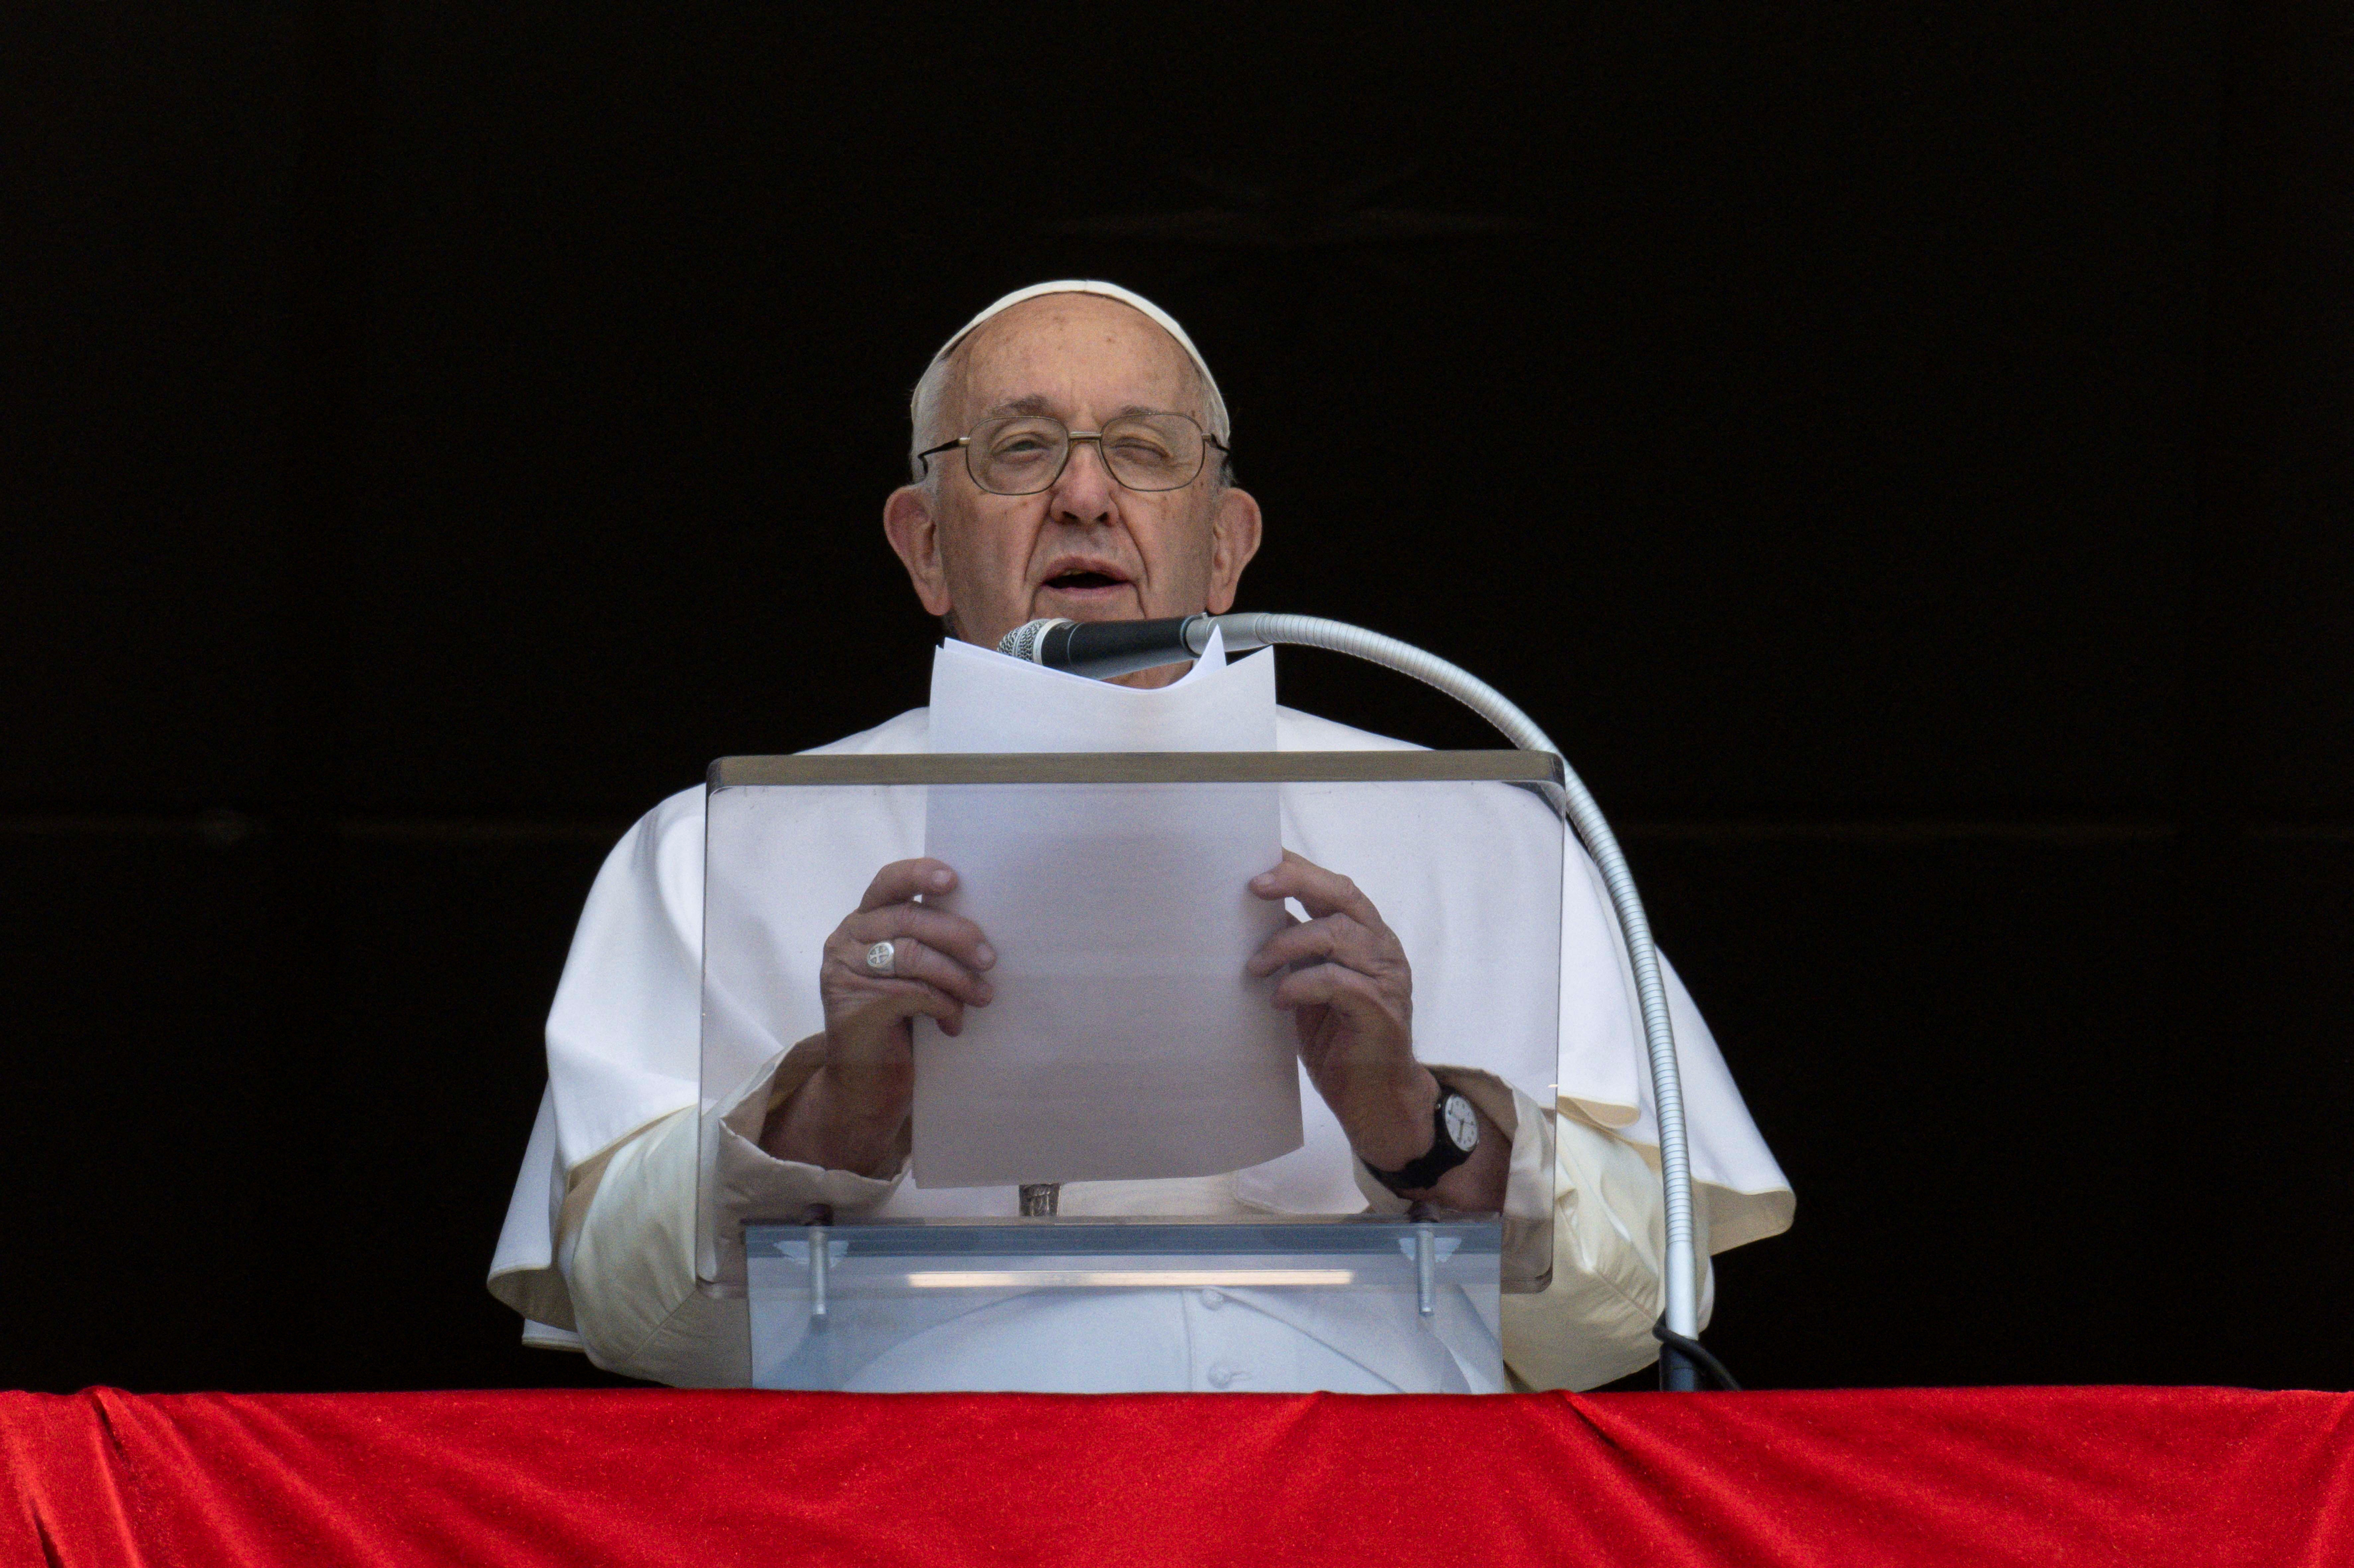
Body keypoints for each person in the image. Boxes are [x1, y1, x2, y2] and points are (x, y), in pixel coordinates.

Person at [489, 281, 1793, 1390]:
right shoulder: (724, 841)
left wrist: (1419, 1123)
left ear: (1224, 546)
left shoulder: (1475, 823)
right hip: (903, 1513)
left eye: (1144, 449)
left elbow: (1632, 1316)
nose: (1083, 496)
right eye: (1015, 448)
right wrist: (829, 1118)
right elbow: (624, 1315)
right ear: (922, 544)